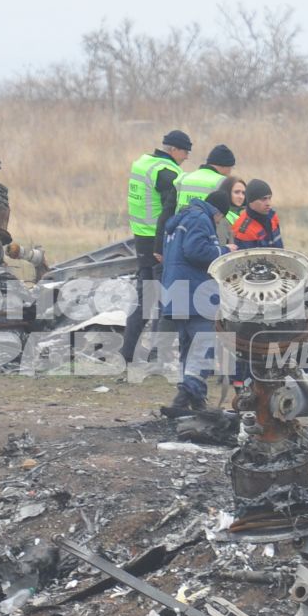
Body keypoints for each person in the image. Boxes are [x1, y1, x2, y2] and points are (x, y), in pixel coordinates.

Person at [159, 178, 238, 415]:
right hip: (194, 293)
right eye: (220, 218)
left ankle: (196, 401)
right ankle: (184, 396)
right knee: (205, 344)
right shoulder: (200, 219)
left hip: (176, 291)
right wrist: (225, 251)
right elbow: (195, 251)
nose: (218, 222)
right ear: (218, 212)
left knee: (188, 346)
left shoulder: (181, 220)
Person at [120, 130, 191, 364]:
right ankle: (158, 354)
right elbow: (169, 210)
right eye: (185, 151)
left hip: (141, 238)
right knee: (164, 297)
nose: (187, 156)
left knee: (144, 297)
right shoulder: (167, 172)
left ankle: (128, 352)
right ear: (173, 150)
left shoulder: (143, 163)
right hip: (159, 242)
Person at [175, 144, 235, 209]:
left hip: (181, 218)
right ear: (225, 166)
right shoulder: (223, 182)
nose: (230, 172)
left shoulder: (183, 177)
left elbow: (169, 207)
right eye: (231, 167)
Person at [231, 178, 282, 249]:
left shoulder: (272, 216)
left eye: (269, 198)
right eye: (263, 199)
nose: (268, 203)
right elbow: (247, 259)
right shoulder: (243, 231)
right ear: (251, 201)